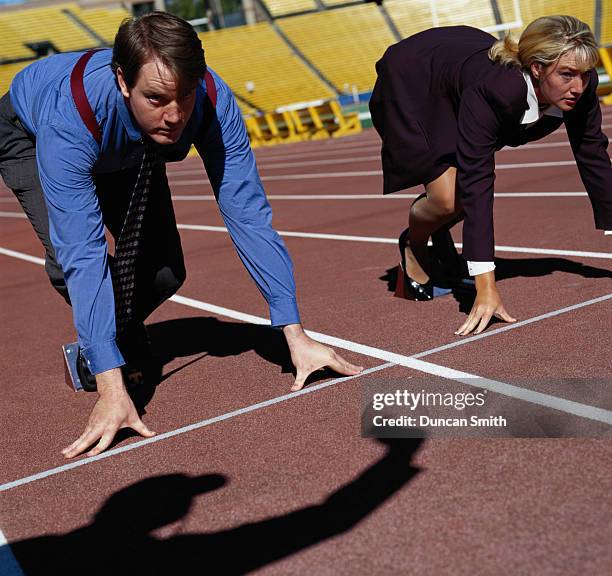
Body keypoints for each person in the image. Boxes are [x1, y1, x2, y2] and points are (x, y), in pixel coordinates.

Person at [0, 11, 362, 459]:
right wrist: (111, 387)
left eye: (184, 96)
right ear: (123, 81)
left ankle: (107, 337)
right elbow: (84, 252)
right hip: (32, 133)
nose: (174, 117)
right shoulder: (69, 120)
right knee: (67, 262)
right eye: (156, 98)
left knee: (165, 271)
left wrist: (294, 333)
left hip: (124, 137)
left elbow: (247, 212)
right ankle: (103, 353)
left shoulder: (211, 101)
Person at [370, 15, 612, 333]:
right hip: (414, 81)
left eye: (584, 74)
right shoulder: (494, 89)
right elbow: (478, 179)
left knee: (458, 192)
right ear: (536, 68)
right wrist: (485, 286)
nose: (578, 87)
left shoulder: (578, 86)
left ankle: (438, 228)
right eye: (567, 75)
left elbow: (593, 155)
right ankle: (414, 245)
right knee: (448, 200)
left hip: (457, 73)